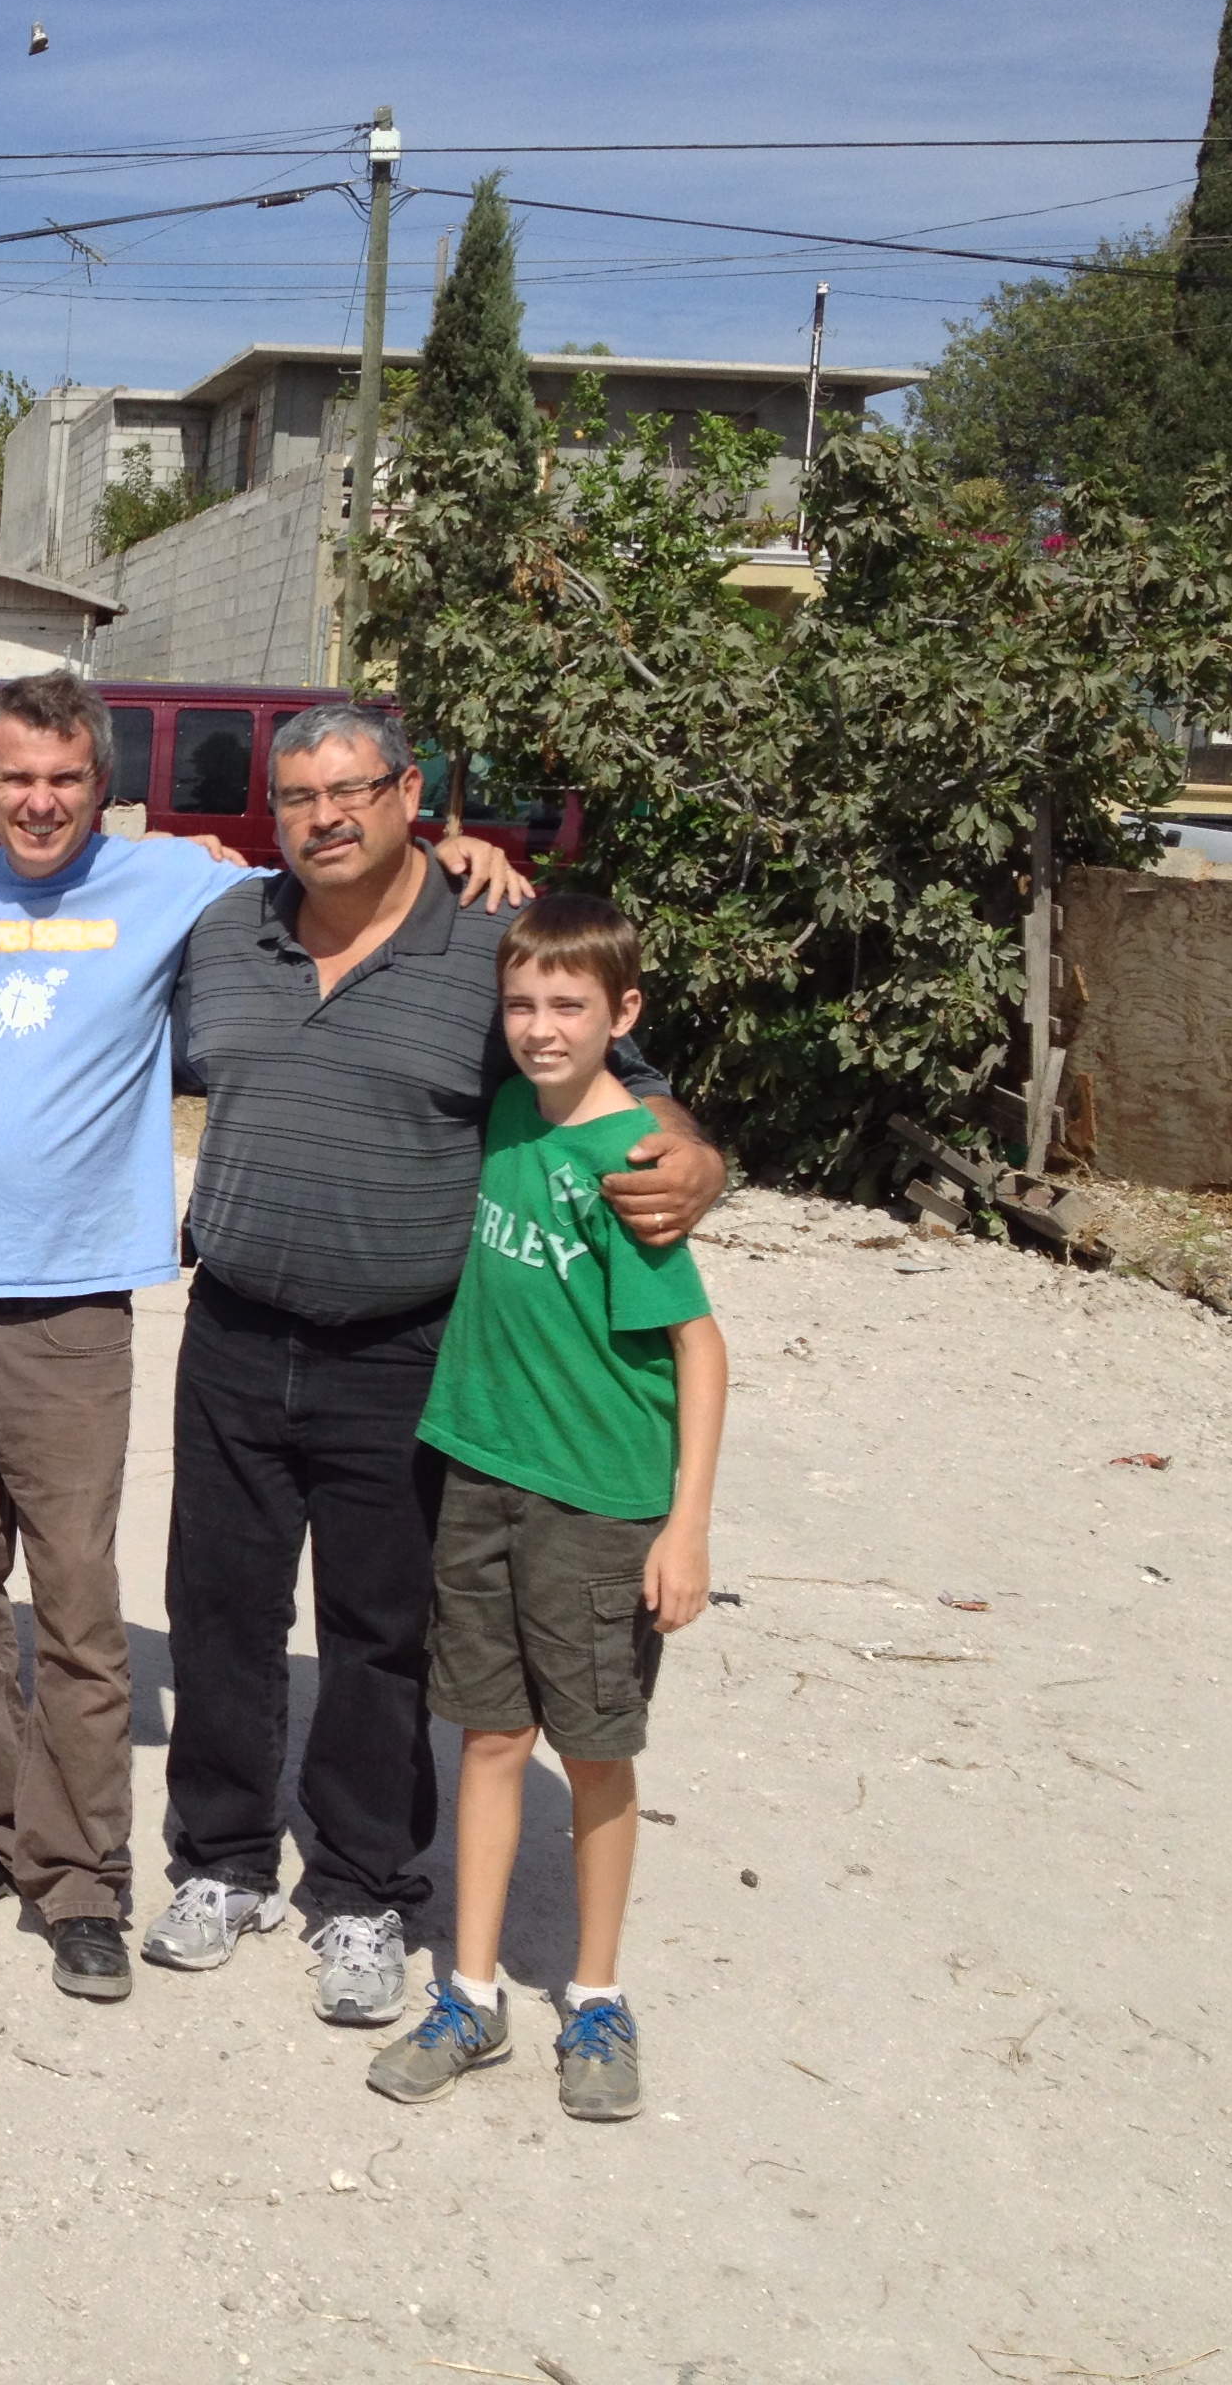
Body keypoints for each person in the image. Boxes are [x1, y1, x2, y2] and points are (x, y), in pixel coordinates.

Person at [147, 704, 727, 2024]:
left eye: (353, 791)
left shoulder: (485, 950)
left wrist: (694, 1157)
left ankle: (359, 1890)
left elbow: (625, 1084)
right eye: (298, 798)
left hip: (403, 1350)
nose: (325, 818)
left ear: (412, 795)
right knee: (221, 1609)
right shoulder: (228, 931)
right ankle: (224, 1861)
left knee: (381, 1631)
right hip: (234, 1328)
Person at [0, 671, 243, 2002]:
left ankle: (81, 1878)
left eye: (65, 779)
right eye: (17, 778)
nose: (39, 801)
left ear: (103, 785)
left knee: (79, 1611)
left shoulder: (173, 887)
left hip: (74, 1313)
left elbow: (343, 891)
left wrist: (468, 857)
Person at [368, 895, 725, 2121]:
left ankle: (597, 1995)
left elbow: (701, 1349)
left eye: (569, 1006)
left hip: (600, 1502)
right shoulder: (515, 1114)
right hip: (483, 1473)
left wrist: (687, 1529)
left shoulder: (631, 1160)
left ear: (623, 1017)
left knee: (598, 1749)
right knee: (486, 1736)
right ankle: (470, 1993)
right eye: (521, 1004)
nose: (539, 1027)